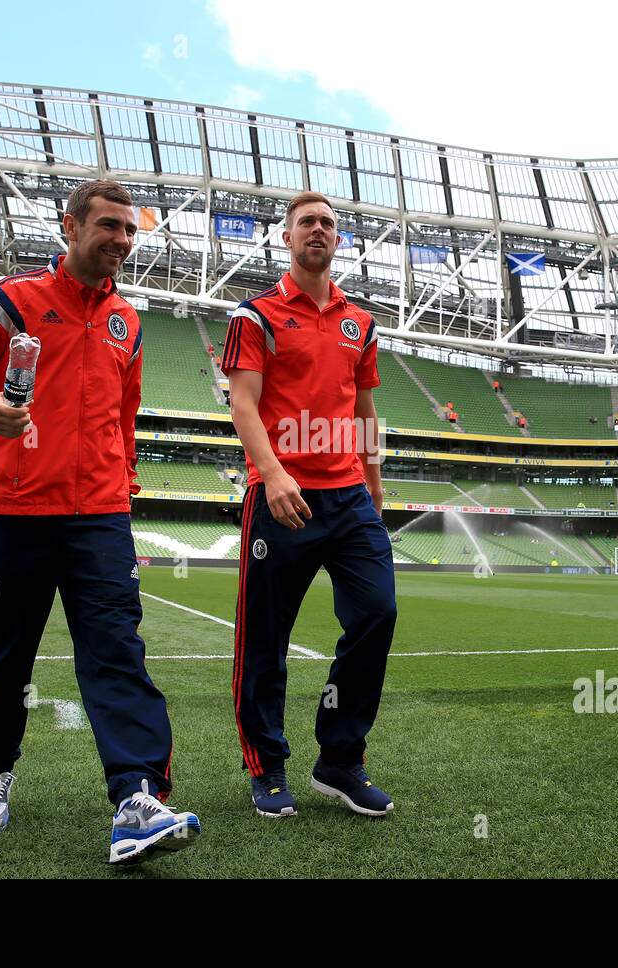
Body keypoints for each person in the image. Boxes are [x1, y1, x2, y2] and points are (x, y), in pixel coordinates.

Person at [0, 179, 199, 864]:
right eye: (108, 225)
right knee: (7, 651)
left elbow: (124, 414)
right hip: (17, 509)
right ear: (69, 227)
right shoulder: (12, 300)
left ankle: (137, 797)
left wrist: (123, 484)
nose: (121, 241)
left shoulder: (129, 324)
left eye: (131, 231)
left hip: (100, 516)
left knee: (117, 651)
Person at [222, 190, 397, 820]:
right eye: (305, 223)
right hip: (281, 498)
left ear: (337, 239)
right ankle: (267, 767)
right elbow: (243, 403)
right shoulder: (255, 316)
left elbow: (364, 409)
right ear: (287, 238)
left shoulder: (361, 322)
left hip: (350, 498)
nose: (316, 230)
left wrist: (375, 486)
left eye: (327, 223)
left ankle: (340, 760)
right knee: (265, 639)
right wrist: (270, 474)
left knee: (377, 613)